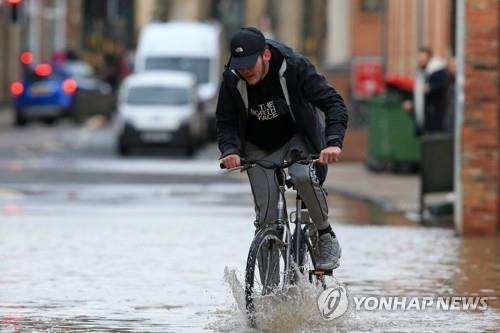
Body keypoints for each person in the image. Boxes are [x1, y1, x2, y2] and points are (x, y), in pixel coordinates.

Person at [216, 27, 348, 270]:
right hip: (258, 145)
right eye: (239, 64)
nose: (245, 70)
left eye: (249, 63)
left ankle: (325, 234)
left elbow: (333, 103)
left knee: (301, 175)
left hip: (296, 138)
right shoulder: (232, 79)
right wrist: (230, 150)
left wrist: (333, 143)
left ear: (265, 55)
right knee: (267, 221)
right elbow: (226, 121)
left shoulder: (295, 67)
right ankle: (269, 294)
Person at [411, 47, 449, 134]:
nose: (420, 59)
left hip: (433, 114)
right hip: (423, 115)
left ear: (429, 57)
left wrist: (431, 88)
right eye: (419, 57)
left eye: (422, 57)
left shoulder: (437, 70)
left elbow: (443, 85)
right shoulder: (420, 72)